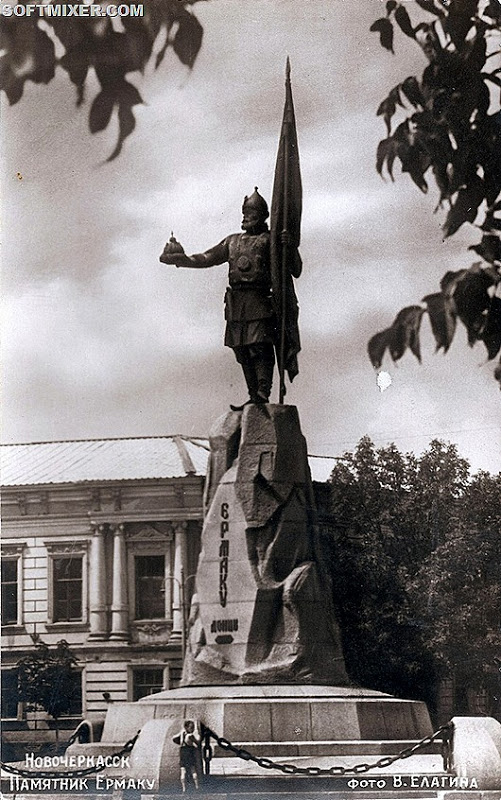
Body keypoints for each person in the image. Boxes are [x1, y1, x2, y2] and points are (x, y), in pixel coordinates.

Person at [160, 188, 276, 410]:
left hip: (259, 299)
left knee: (259, 346)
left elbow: (293, 267)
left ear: (262, 216)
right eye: (244, 212)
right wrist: (181, 259)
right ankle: (253, 395)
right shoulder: (232, 242)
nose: (245, 217)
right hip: (236, 303)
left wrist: (286, 244)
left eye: (250, 212)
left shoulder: (269, 240)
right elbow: (207, 258)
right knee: (241, 349)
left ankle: (263, 390)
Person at [172, 719, 202, 792]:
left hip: (182, 752)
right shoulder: (190, 735)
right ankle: (197, 786)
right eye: (192, 727)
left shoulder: (182, 733)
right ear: (187, 727)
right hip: (189, 752)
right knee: (193, 770)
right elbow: (198, 742)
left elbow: (174, 738)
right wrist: (198, 734)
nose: (193, 729)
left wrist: (180, 743)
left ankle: (184, 788)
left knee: (183, 771)